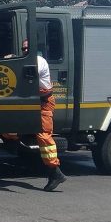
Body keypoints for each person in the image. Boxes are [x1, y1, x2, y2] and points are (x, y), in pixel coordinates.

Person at [33, 39, 67, 191]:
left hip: (44, 102)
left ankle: (55, 172)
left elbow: (29, 73)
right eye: (22, 48)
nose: (24, 50)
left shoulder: (38, 61)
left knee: (43, 135)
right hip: (35, 102)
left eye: (26, 48)